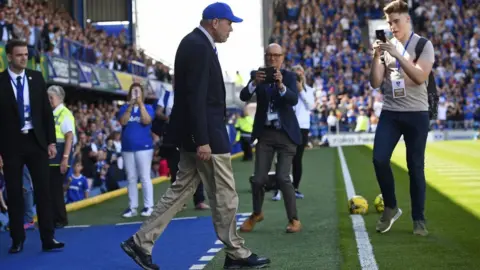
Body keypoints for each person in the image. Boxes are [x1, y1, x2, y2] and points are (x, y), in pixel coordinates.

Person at [120, 3, 270, 269]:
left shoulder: (195, 42)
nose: (231, 29)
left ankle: (141, 242)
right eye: (229, 23)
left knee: (180, 192)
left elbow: (192, 96)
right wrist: (203, 139)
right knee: (225, 194)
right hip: (207, 135)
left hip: (196, 132)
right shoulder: (199, 46)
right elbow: (196, 97)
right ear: (214, 22)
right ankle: (236, 253)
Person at [369, 0, 434, 236]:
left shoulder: (424, 45)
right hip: (391, 112)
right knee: (379, 159)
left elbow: (419, 77)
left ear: (407, 19)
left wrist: (398, 54)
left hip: (417, 113)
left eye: (396, 21)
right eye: (389, 22)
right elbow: (375, 82)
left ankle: (419, 219)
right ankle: (391, 206)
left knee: (415, 167)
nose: (392, 26)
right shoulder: (387, 47)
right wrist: (377, 56)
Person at [0, 39, 64, 253]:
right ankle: (17, 239)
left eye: (26, 54)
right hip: (11, 145)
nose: (24, 58)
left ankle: (48, 238)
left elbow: (46, 113)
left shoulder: (36, 78)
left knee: (43, 191)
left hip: (36, 142)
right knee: (15, 193)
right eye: (19, 55)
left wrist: (52, 141)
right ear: (9, 57)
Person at [239, 43, 302, 234]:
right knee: (257, 179)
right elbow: (243, 96)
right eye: (269, 55)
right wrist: (254, 84)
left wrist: (281, 85)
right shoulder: (257, 76)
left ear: (282, 57)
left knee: (283, 177)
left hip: (285, 134)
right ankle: (256, 213)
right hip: (265, 134)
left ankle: (294, 220)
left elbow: (293, 99)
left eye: (276, 55)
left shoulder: (290, 76)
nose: (272, 58)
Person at [156, 88, 209, 210]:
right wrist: (169, 118)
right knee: (175, 169)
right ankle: (180, 202)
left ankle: (199, 200)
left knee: (197, 166)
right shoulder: (166, 94)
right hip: (173, 136)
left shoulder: (192, 92)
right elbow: (158, 112)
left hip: (190, 134)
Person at [271, 64, 315, 201]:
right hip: (287, 125)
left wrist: (301, 90)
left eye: (300, 72)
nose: (298, 74)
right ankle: (278, 190)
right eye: (295, 72)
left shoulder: (309, 90)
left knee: (297, 159)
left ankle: (295, 188)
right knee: (282, 158)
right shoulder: (286, 88)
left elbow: (310, 106)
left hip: (302, 127)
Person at [118, 83, 156, 218]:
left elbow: (146, 121)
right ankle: (132, 207)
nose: (135, 94)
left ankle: (148, 206)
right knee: (131, 178)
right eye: (133, 91)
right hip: (127, 148)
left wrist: (140, 104)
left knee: (145, 177)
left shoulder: (148, 107)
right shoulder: (123, 108)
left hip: (144, 147)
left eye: (138, 92)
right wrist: (130, 105)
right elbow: (123, 122)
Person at [47, 85, 75, 228]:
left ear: (59, 97)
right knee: (51, 188)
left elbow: (69, 136)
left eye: (51, 97)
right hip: (51, 156)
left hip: (60, 155)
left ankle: (60, 219)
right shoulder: (52, 113)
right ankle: (53, 218)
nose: (49, 100)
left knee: (56, 188)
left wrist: (65, 158)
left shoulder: (65, 113)